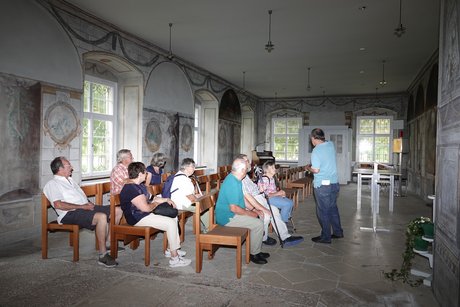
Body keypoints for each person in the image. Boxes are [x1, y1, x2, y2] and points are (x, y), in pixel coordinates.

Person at [43, 157, 122, 267]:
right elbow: (58, 204)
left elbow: (79, 197)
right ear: (60, 169)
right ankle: (103, 255)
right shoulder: (52, 184)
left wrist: (88, 204)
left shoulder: (70, 180)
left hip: (82, 208)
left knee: (117, 210)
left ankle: (108, 242)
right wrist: (82, 206)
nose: (72, 167)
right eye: (68, 165)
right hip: (69, 214)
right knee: (101, 217)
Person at [119, 162, 191, 268]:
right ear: (140, 174)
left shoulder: (139, 185)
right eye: (145, 172)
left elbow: (152, 198)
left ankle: (170, 249)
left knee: (173, 217)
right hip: (136, 218)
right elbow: (146, 208)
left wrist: (166, 199)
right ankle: (174, 259)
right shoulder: (131, 189)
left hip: (144, 215)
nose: (146, 174)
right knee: (170, 223)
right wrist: (156, 204)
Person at [237, 154, 304, 247]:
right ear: (240, 164)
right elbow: (246, 197)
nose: (249, 163)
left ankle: (285, 238)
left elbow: (254, 189)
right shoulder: (239, 177)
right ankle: (263, 238)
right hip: (255, 201)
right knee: (269, 214)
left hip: (259, 198)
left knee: (275, 211)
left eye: (248, 161)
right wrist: (257, 208)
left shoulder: (246, 176)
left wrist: (260, 189)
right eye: (246, 161)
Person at [215, 157, 269, 265]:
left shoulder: (236, 179)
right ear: (242, 170)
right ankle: (254, 254)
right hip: (227, 218)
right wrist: (252, 213)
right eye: (246, 168)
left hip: (233, 214)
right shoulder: (232, 182)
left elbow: (242, 201)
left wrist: (254, 210)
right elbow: (234, 208)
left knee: (259, 217)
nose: (248, 170)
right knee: (258, 224)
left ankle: (256, 249)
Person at [306, 128, 344, 244]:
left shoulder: (316, 151)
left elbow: (316, 170)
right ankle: (338, 232)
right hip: (334, 184)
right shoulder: (330, 145)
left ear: (313, 138)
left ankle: (326, 237)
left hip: (323, 186)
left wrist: (307, 168)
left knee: (323, 211)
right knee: (332, 208)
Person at [169, 158, 208, 230]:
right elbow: (191, 198)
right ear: (186, 167)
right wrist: (201, 200)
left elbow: (186, 193)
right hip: (181, 204)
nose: (194, 168)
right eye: (192, 166)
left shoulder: (181, 176)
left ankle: (209, 228)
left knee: (204, 205)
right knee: (203, 207)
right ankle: (210, 229)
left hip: (183, 201)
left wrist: (197, 196)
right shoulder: (183, 179)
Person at [258, 161, 294, 225]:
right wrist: (278, 194)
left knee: (290, 202)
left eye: (274, 167)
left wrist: (280, 193)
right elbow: (265, 195)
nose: (275, 169)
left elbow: (272, 191)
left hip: (273, 197)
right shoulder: (265, 179)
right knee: (287, 204)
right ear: (267, 170)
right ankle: (284, 223)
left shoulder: (271, 178)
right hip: (267, 200)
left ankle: (285, 218)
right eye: (272, 168)